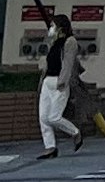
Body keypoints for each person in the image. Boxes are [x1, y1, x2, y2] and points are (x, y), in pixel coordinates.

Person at [35, 8, 84, 159]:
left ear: (61, 27)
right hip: (47, 81)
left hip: (59, 82)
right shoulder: (53, 42)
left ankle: (75, 133)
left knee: (54, 117)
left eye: (53, 25)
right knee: (43, 117)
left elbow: (68, 63)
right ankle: (50, 147)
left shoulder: (70, 42)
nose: (51, 28)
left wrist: (63, 81)